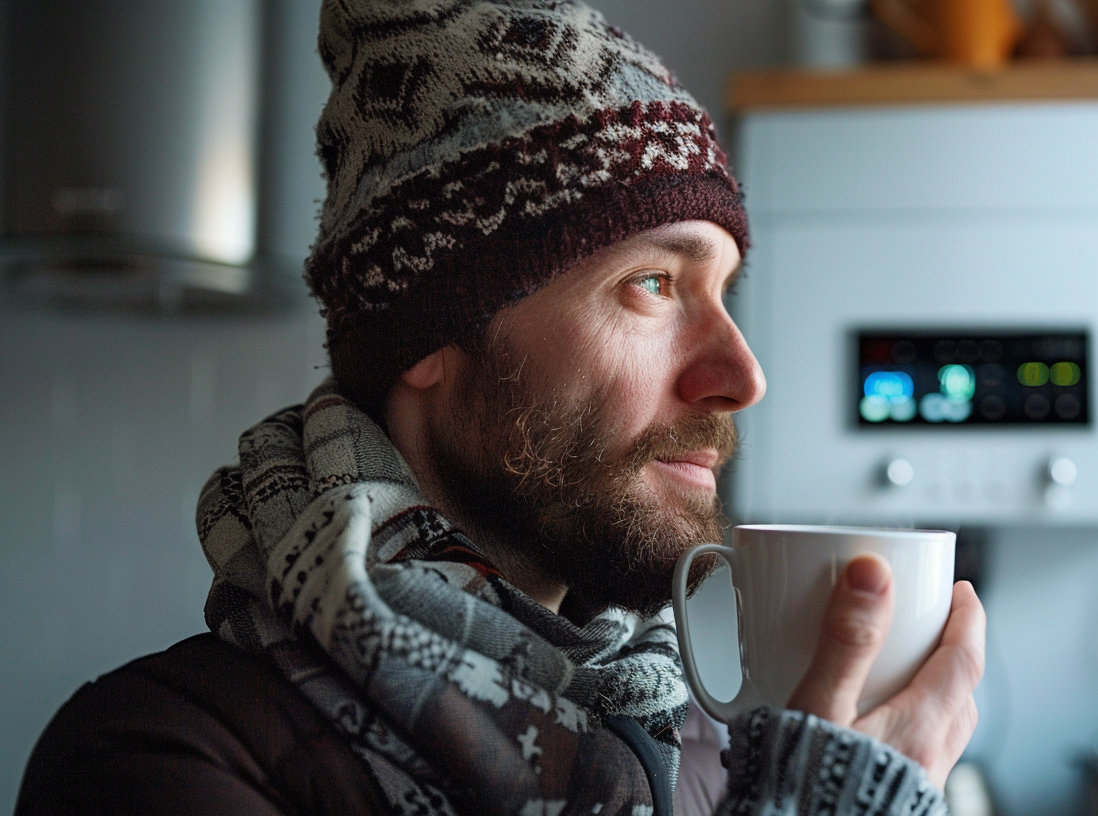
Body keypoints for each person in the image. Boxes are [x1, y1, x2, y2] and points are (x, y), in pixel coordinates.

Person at [16, 2, 985, 814]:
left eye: (724, 292)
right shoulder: (154, 758)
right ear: (430, 332)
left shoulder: (688, 743)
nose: (739, 372)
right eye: (652, 284)